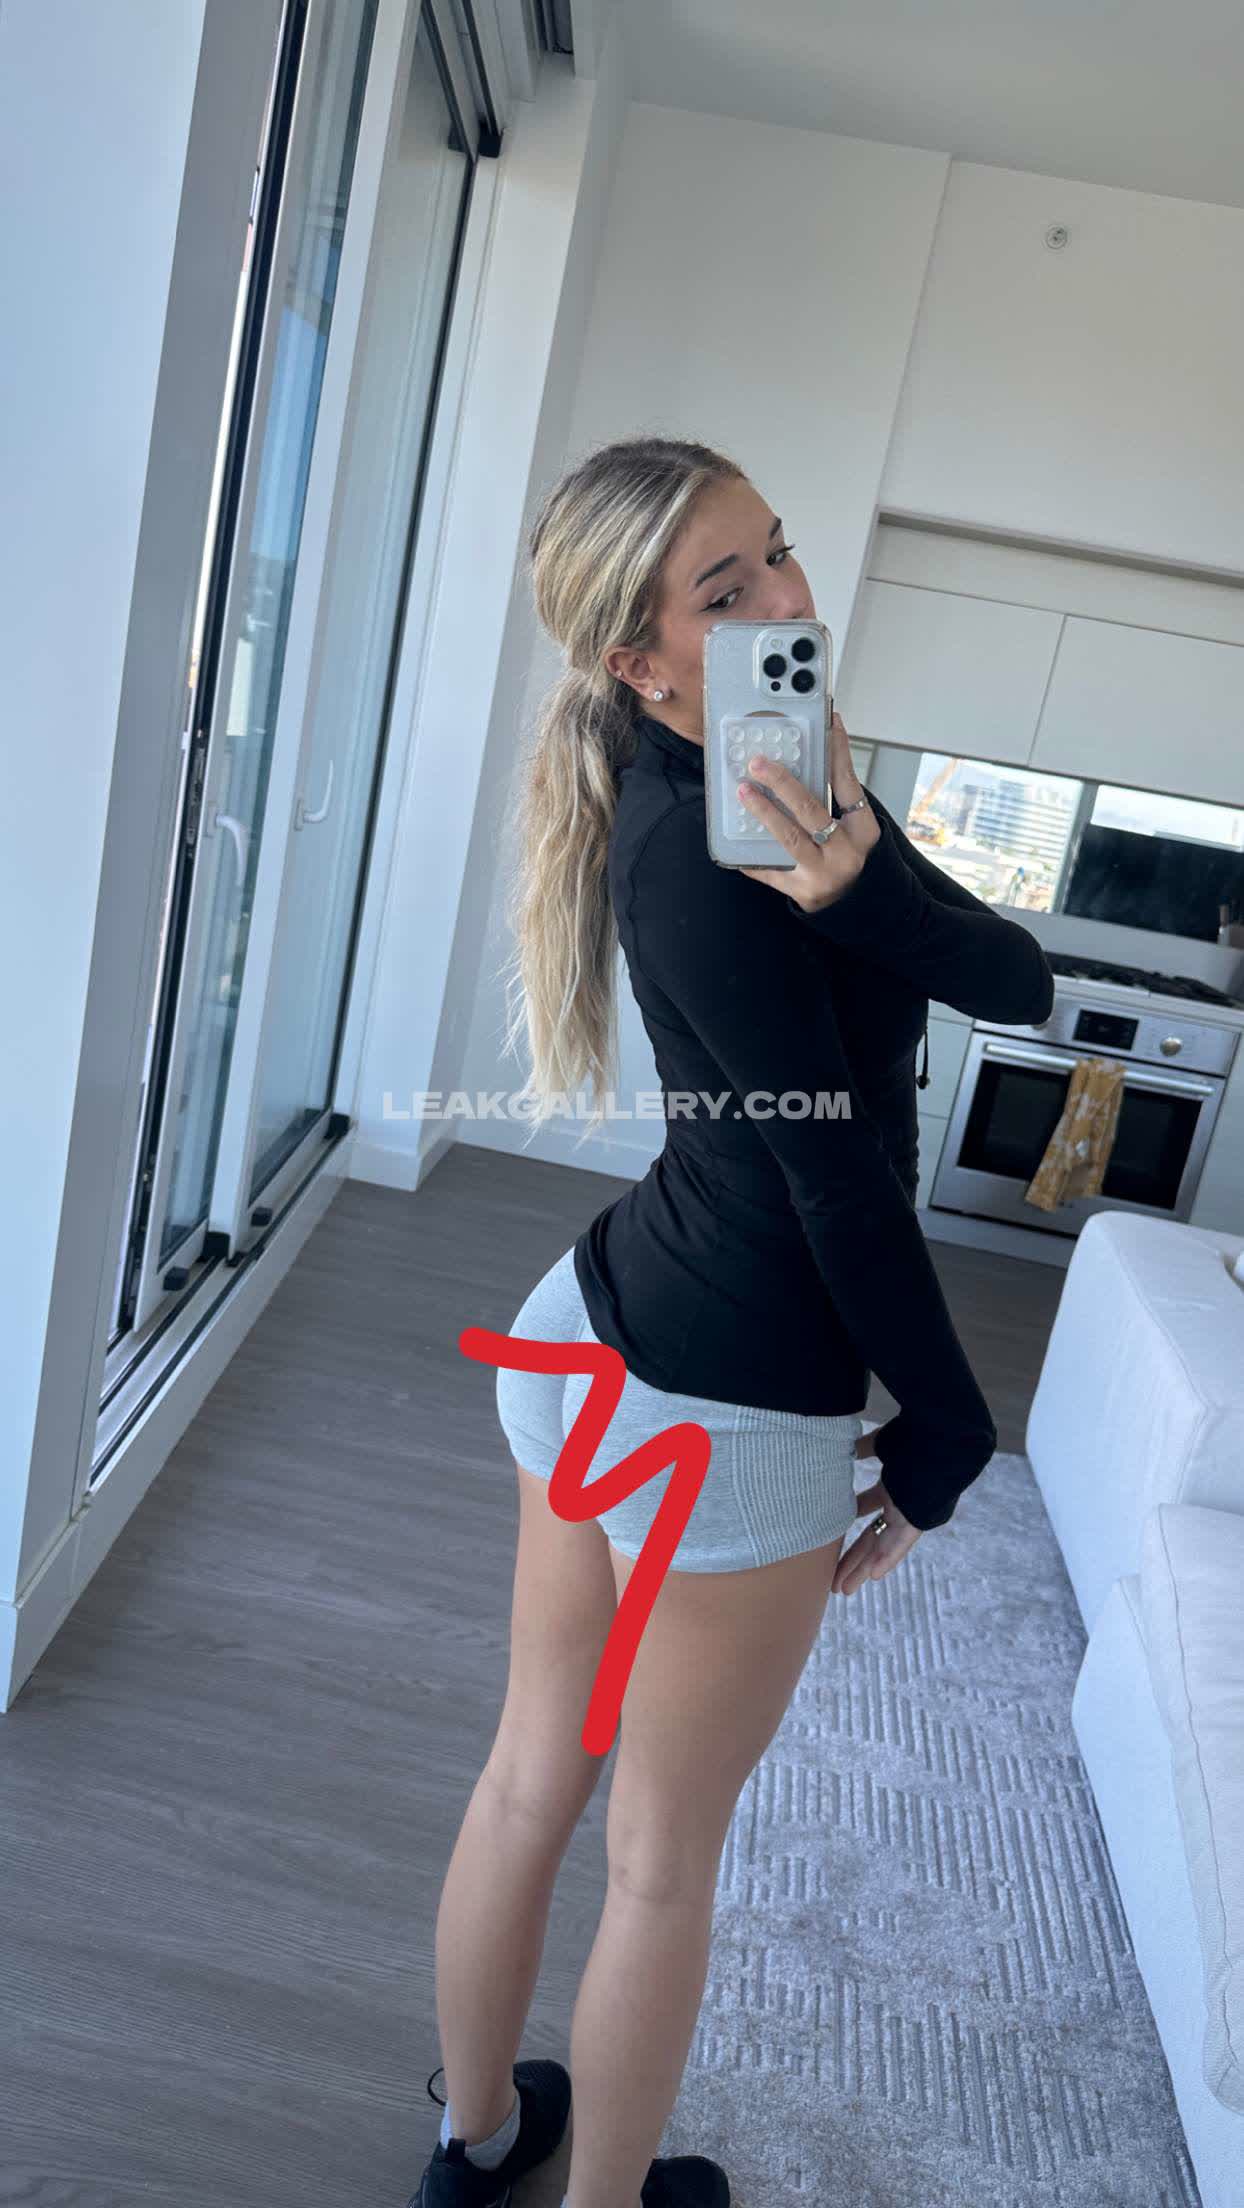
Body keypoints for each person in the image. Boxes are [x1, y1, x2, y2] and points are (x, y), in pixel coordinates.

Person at [412, 438, 1055, 2208]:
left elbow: (1018, 979)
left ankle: (477, 2149)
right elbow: (831, 1185)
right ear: (640, 662)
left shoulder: (786, 771)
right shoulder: (701, 853)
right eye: (728, 588)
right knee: (659, 1858)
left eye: (776, 552)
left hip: (594, 1335)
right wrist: (946, 1430)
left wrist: (865, 886)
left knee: (534, 1772)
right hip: (727, 1410)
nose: (788, 599)